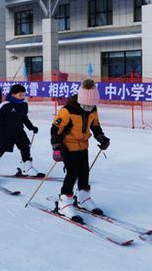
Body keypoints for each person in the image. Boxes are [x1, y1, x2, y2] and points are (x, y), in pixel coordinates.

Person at [50, 79, 110, 222]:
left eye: (92, 106)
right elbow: (55, 129)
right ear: (80, 100)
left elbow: (95, 126)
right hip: (67, 146)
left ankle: (83, 198)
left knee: (84, 171)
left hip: (83, 145)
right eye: (86, 106)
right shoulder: (67, 111)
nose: (89, 108)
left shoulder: (92, 109)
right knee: (72, 172)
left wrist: (101, 138)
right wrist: (56, 146)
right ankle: (64, 202)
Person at [0, 84, 41, 181]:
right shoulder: (6, 105)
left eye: (24, 94)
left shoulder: (24, 105)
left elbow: (24, 117)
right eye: (20, 95)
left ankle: (26, 168)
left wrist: (31, 127)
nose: (22, 97)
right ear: (13, 94)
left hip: (19, 131)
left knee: (25, 147)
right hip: (5, 132)